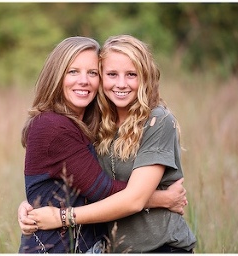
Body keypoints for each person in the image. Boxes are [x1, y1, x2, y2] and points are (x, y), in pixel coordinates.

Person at [22, 34, 196, 253]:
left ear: (144, 77)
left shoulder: (157, 120)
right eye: (112, 74)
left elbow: (132, 199)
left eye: (131, 74)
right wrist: (31, 206)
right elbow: (79, 184)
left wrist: (61, 217)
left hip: (157, 245)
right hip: (112, 247)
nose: (121, 83)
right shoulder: (96, 123)